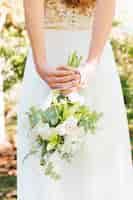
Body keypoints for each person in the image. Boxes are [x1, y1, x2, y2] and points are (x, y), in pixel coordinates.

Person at [17, 0, 133, 199]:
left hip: (93, 50)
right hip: (48, 51)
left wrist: (91, 64)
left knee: (97, 149)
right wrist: (41, 64)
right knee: (45, 152)